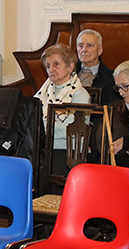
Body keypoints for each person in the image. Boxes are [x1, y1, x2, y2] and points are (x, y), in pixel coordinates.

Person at [35, 43, 91, 176]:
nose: (51, 69)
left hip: (69, 152)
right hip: (44, 147)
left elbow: (71, 128)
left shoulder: (80, 95)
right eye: (48, 66)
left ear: (70, 66)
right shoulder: (43, 92)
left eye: (56, 64)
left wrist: (39, 128)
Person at [74, 29, 121, 104]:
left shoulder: (113, 78)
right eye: (80, 46)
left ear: (100, 50)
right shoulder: (67, 74)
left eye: (89, 45)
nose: (84, 49)